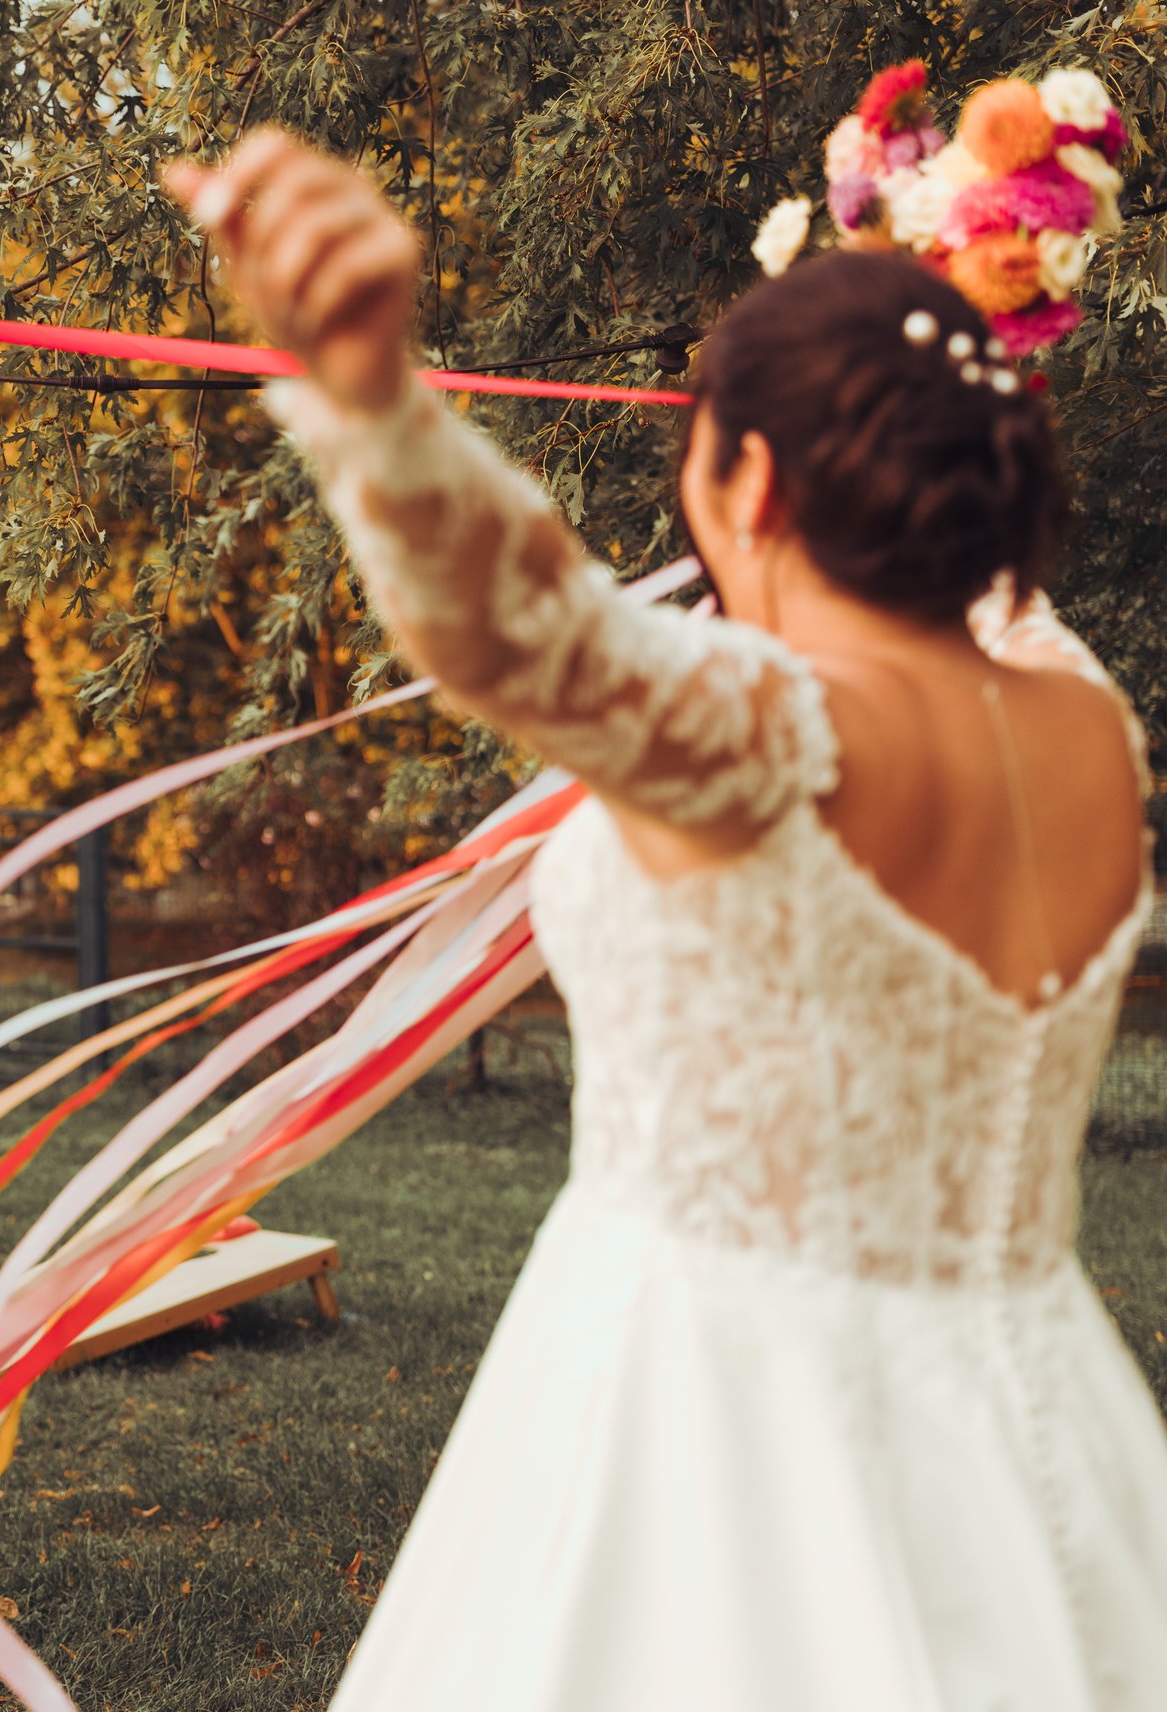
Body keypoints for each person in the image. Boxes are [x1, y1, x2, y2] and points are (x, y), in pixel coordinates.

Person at [166, 133, 1167, 1709]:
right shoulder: (1090, 733)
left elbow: (528, 632)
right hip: (1047, 1432)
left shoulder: (772, 736)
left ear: (749, 483)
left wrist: (372, 396)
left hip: (716, 1448)